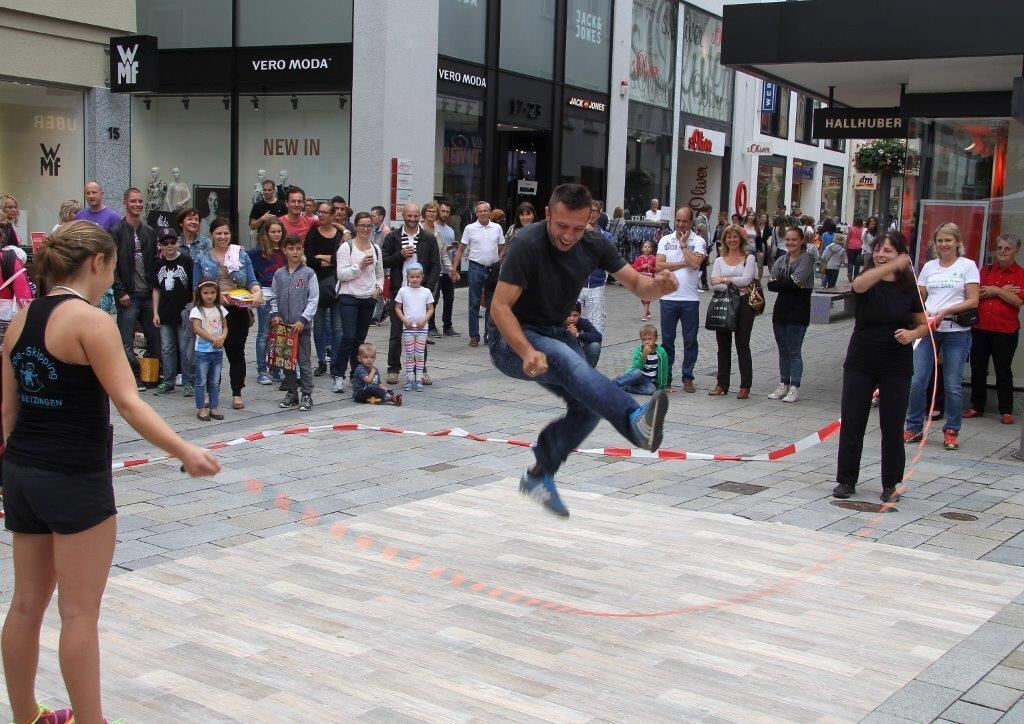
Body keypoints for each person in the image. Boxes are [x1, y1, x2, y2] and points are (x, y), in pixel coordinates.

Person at [1, 222, 219, 724]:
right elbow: (128, 403)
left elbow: (7, 412)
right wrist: (183, 449)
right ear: (97, 263)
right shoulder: (91, 321)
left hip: (22, 472)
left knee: (25, 605)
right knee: (79, 614)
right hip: (75, 477)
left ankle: (23, 717)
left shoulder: (21, 318)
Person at [488, 183, 678, 517]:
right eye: (561, 226)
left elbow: (638, 285)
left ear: (590, 219)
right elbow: (500, 307)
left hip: (554, 332)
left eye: (578, 228)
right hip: (510, 339)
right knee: (564, 359)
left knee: (589, 407)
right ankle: (634, 421)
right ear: (548, 214)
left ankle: (539, 475)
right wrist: (526, 351)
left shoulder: (594, 243)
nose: (568, 236)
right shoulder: (526, 243)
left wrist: (659, 287)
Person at [831, 231, 927, 503]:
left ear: (901, 254)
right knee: (853, 420)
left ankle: (891, 483)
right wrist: (885, 267)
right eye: (878, 250)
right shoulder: (867, 280)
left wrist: (912, 334)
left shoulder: (910, 288)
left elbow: (924, 323)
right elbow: (859, 285)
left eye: (888, 251)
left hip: (896, 361)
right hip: (862, 357)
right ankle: (846, 480)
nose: (881, 254)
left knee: (892, 424)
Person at [904, 222, 981, 451]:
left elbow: (973, 299)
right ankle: (914, 425)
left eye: (948, 240)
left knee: (952, 384)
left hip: (956, 331)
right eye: (940, 240)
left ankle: (951, 430)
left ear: (958, 242)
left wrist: (946, 311)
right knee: (917, 380)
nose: (944, 244)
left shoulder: (967, 266)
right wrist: (925, 312)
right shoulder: (929, 267)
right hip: (929, 330)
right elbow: (920, 296)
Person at [192, 218, 263, 411]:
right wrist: (215, 299)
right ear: (212, 235)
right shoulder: (202, 257)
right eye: (218, 233)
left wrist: (256, 291)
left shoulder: (240, 254)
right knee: (210, 354)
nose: (222, 237)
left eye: (226, 233)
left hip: (237, 311)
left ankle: (237, 392)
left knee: (236, 353)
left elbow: (251, 280)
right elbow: (196, 288)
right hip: (211, 312)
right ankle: (210, 392)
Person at [965, 234, 1024, 424]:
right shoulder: (986, 270)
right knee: (978, 368)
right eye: (1000, 248)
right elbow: (974, 294)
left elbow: (1017, 301)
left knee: (1003, 369)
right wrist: (1002, 291)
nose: (1003, 252)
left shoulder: (1020, 274)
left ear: (1016, 251)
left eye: (1007, 248)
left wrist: (995, 290)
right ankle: (977, 406)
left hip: (1005, 330)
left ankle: (1006, 410)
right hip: (980, 327)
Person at [383, 203, 440, 385]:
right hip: (399, 291)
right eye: (409, 216)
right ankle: (393, 369)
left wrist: (428, 288)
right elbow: (383, 261)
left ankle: (421, 369)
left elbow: (435, 265)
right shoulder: (393, 237)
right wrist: (399, 255)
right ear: (403, 215)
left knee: (420, 332)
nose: (413, 219)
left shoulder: (428, 238)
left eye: (416, 216)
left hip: (420, 293)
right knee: (396, 333)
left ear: (419, 216)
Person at [110, 187, 159, 388]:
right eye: (133, 201)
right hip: (128, 295)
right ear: (125, 203)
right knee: (126, 340)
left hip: (148, 294)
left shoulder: (149, 232)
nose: (137, 205)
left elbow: (155, 263)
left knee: (155, 338)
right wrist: (120, 291)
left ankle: (153, 375)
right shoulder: (115, 232)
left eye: (140, 201)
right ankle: (133, 375)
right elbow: (111, 264)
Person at [655, 207, 707, 393]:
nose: (680, 224)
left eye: (685, 221)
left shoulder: (699, 241)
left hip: (690, 299)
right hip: (668, 298)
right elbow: (659, 267)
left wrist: (684, 245)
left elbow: (695, 264)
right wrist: (683, 263)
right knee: (667, 341)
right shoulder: (665, 239)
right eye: (678, 220)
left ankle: (687, 377)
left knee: (690, 340)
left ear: (691, 222)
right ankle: (666, 378)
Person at [333, 211, 384, 393]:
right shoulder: (347, 247)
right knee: (348, 337)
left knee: (360, 340)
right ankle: (338, 374)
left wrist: (378, 288)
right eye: (362, 225)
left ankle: (357, 373)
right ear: (355, 226)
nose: (365, 229)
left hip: (368, 298)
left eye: (369, 226)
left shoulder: (375, 248)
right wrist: (359, 266)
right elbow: (341, 274)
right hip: (348, 297)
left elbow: (379, 274)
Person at [270, 234, 319, 412]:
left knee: (304, 362)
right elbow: (273, 297)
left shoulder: (308, 274)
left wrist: (303, 319)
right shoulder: (279, 274)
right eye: (291, 248)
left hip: (302, 328)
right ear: (284, 250)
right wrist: (275, 314)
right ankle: (292, 392)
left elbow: (313, 299)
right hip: (284, 329)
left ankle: (307, 394)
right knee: (286, 361)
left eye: (298, 248)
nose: (295, 252)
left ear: (302, 250)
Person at [767, 227, 815, 403]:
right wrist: (785, 282)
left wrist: (782, 281)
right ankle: (783, 384)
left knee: (794, 350)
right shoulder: (781, 259)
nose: (790, 243)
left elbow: (796, 282)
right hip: (781, 309)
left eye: (794, 239)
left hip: (799, 310)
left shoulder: (807, 259)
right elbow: (771, 284)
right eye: (787, 239)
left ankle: (795, 386)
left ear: (801, 240)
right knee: (782, 349)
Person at [709, 224, 756, 399]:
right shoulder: (719, 260)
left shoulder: (748, 258)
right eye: (729, 237)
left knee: (742, 345)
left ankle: (745, 386)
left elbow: (747, 279)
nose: (732, 240)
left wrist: (725, 280)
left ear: (741, 239)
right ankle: (722, 384)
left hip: (744, 305)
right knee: (723, 346)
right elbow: (714, 282)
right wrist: (733, 283)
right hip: (724, 303)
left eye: (735, 237)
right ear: (724, 240)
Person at [451, 200, 504, 347]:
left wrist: (499, 264)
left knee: (491, 304)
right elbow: (461, 249)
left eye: (485, 210)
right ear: (476, 213)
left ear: (489, 211)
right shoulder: (470, 228)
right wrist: (454, 267)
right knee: (474, 303)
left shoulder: (497, 228)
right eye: (480, 211)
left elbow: (502, 247)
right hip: (476, 267)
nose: (483, 213)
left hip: (492, 269)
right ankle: (474, 335)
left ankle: (489, 334)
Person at [151, 227, 194, 396]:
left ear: (178, 242)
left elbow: (193, 287)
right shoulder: (158, 264)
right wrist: (155, 312)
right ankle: (168, 381)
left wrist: (193, 309)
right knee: (167, 348)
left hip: (183, 311)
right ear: (160, 245)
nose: (169, 245)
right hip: (165, 311)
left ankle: (188, 381)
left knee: (185, 348)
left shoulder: (187, 261)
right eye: (165, 243)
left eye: (173, 242)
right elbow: (155, 289)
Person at [247, 218, 286, 385]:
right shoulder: (258, 251)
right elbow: (244, 260)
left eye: (279, 231)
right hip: (265, 293)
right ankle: (262, 370)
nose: (276, 235)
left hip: (283, 295)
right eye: (273, 231)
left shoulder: (285, 250)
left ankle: (276, 368)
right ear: (266, 233)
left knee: (279, 333)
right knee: (264, 333)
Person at [304, 200, 341, 378]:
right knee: (318, 327)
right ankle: (320, 361)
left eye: (326, 212)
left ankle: (334, 362)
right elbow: (310, 259)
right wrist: (327, 260)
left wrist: (323, 258)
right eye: (320, 212)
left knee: (337, 328)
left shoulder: (339, 235)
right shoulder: (312, 234)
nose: (321, 215)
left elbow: (340, 258)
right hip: (316, 284)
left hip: (336, 285)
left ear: (332, 215)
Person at [190, 280, 228, 421]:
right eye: (205, 293)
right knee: (201, 380)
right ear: (200, 294)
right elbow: (197, 328)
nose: (209, 296)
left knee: (214, 381)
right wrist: (213, 339)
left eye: (212, 292)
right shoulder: (197, 310)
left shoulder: (220, 309)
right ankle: (201, 408)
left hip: (217, 350)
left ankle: (213, 406)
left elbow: (225, 327)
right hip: (203, 351)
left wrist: (222, 337)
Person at [394, 263, 434, 392]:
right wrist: (404, 320)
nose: (415, 279)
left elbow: (430, 308)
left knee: (420, 354)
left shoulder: (426, 291)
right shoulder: (403, 291)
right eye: (412, 277)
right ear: (407, 277)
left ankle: (419, 379)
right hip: (408, 328)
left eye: (417, 276)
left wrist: (424, 320)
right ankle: (410, 380)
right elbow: (397, 307)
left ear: (422, 277)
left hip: (422, 328)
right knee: (410, 354)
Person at [578, 201, 612, 333]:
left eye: (595, 211)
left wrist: (592, 236)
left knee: (596, 326)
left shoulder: (606, 236)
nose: (591, 214)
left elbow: (604, 258)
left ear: (599, 214)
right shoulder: (576, 233)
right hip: (576, 285)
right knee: (570, 323)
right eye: (589, 211)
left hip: (596, 285)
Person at [421, 201, 452, 338]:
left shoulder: (438, 233)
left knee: (432, 299)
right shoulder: (418, 229)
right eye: (429, 211)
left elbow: (443, 254)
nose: (432, 214)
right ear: (424, 213)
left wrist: (451, 270)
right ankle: (421, 328)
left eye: (434, 212)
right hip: (419, 272)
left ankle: (428, 327)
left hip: (435, 272)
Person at [614, 323, 669, 395]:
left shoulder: (661, 352)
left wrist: (663, 386)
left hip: (648, 381)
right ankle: (613, 384)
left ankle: (628, 388)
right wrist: (643, 356)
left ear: (655, 339)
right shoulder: (638, 351)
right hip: (637, 376)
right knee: (637, 372)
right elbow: (635, 368)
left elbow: (664, 369)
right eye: (644, 339)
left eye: (650, 339)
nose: (646, 342)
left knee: (652, 390)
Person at [434, 200, 459, 336]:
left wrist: (454, 268)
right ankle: (431, 326)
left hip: (448, 268)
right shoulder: (433, 228)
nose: (444, 214)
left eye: (447, 212)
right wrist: (444, 248)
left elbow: (453, 252)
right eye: (442, 211)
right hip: (436, 269)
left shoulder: (450, 230)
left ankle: (447, 326)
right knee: (434, 298)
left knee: (449, 298)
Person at [564, 301, 602, 368]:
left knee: (595, 346)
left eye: (575, 315)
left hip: (581, 351)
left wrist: (578, 335)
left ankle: (589, 373)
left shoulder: (583, 322)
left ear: (579, 315)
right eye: (569, 315)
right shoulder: (558, 323)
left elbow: (598, 336)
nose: (572, 319)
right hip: (563, 354)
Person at [632, 240, 657, 320]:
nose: (647, 249)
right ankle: (647, 312)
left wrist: (651, 268)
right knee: (642, 297)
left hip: (650, 280)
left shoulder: (654, 259)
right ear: (642, 249)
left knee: (647, 297)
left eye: (649, 247)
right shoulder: (639, 259)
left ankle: (644, 315)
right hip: (640, 280)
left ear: (652, 249)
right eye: (645, 247)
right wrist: (642, 267)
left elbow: (657, 269)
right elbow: (634, 269)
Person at [846, 216, 865, 281]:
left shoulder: (851, 229)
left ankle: (849, 274)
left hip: (850, 247)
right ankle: (856, 275)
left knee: (850, 262)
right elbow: (863, 239)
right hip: (859, 247)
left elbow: (848, 239)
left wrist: (846, 247)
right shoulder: (863, 230)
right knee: (857, 262)